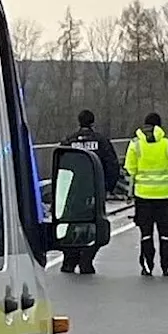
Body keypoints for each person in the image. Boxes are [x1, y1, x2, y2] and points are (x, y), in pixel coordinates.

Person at [58, 109, 120, 275]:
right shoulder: (101, 141)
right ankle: (87, 257)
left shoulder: (68, 141)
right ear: (92, 122)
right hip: (94, 191)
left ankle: (70, 257)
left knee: (72, 224)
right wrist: (108, 187)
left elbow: (61, 165)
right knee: (95, 223)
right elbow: (112, 165)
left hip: (73, 193)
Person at [124, 112, 168, 277]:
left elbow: (131, 172)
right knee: (165, 233)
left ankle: (147, 266)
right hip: (164, 196)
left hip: (142, 196)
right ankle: (167, 266)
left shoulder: (135, 145)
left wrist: (130, 193)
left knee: (145, 233)